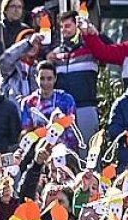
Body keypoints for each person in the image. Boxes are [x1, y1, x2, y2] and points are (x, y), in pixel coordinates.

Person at [47, 11, 101, 148]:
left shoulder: (90, 48)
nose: (64, 30)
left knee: (88, 151)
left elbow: (107, 47)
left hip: (85, 106)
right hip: (62, 109)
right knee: (62, 151)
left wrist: (94, 34)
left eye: (68, 26)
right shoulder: (56, 53)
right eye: (62, 27)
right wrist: (48, 61)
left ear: (77, 26)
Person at [18, 61, 77, 152]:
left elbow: (72, 129)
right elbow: (27, 132)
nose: (45, 83)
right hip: (39, 150)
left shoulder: (66, 99)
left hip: (64, 150)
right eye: (42, 78)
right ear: (36, 78)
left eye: (49, 79)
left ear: (55, 78)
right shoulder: (28, 102)